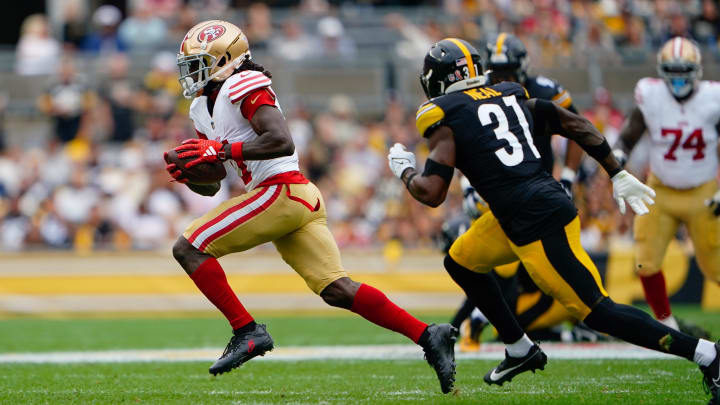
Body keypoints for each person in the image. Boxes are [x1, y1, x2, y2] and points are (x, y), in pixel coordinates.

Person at [388, 38, 719, 403]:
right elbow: (573, 123)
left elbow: (432, 193)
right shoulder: (509, 94)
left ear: (439, 80)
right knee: (461, 260)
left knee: (599, 312)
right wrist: (616, 171)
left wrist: (404, 172)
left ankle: (709, 355)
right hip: (517, 212)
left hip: (537, 220)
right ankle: (518, 347)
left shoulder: (444, 114)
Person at [166, 20, 457, 394]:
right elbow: (214, 183)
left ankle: (246, 330)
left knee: (188, 248)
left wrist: (221, 150)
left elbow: (281, 141)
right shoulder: (200, 107)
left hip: (281, 190)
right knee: (337, 289)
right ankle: (429, 334)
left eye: (200, 62)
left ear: (225, 59)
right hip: (292, 197)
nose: (192, 73)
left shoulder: (243, 83)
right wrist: (190, 174)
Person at [449, 33, 589, 350]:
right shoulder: (474, 93)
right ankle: (468, 327)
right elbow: (460, 143)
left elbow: (578, 126)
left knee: (524, 274)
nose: (502, 80)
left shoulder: (543, 90)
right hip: (498, 193)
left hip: (537, 191)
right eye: (496, 74)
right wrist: (467, 184)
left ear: (522, 68)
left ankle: (467, 327)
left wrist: (567, 177)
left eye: (508, 73)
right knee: (492, 268)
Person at [613, 37, 718, 339]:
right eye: (671, 70)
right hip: (660, 189)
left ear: (696, 70)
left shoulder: (713, 98)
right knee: (645, 260)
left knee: (716, 269)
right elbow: (628, 136)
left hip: (703, 192)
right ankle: (666, 324)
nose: (677, 78)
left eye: (683, 70)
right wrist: (617, 163)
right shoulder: (651, 94)